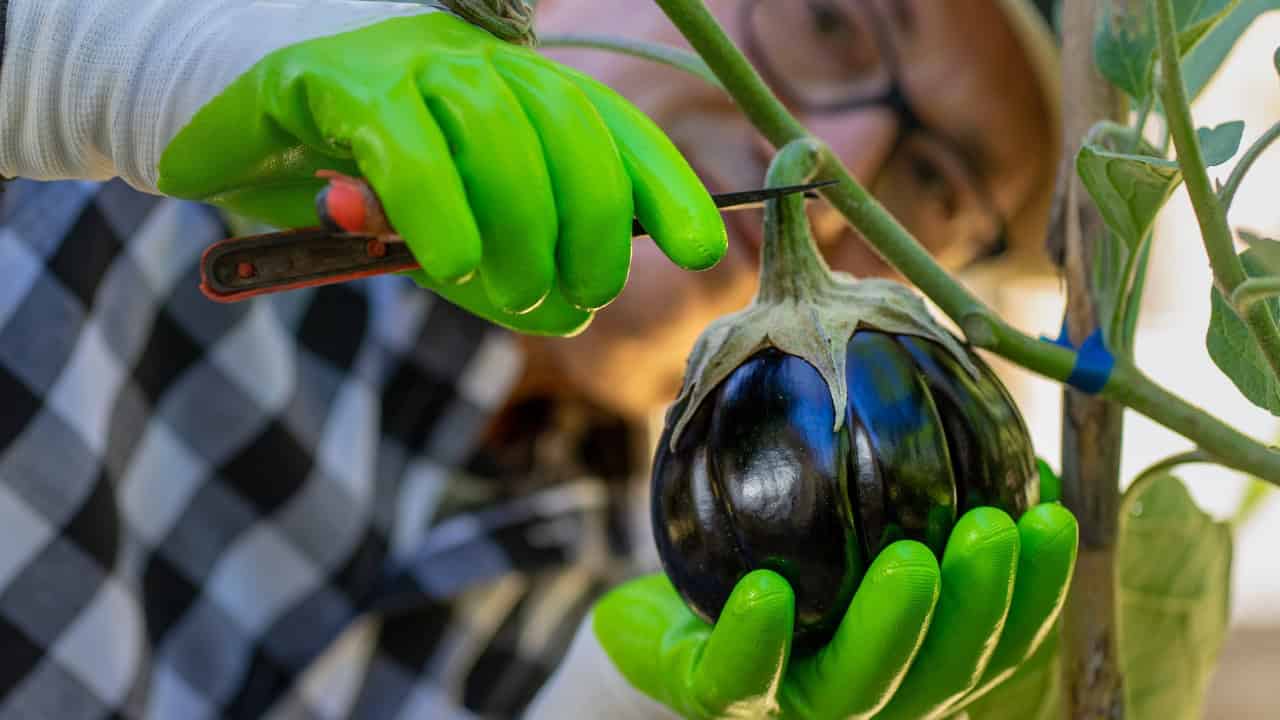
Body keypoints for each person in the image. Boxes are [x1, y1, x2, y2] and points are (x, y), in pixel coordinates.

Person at [0, 1, 1075, 718]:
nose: (842, 160)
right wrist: (73, 67)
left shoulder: (658, 615)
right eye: (832, 18)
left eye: (935, 182)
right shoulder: (172, 126)